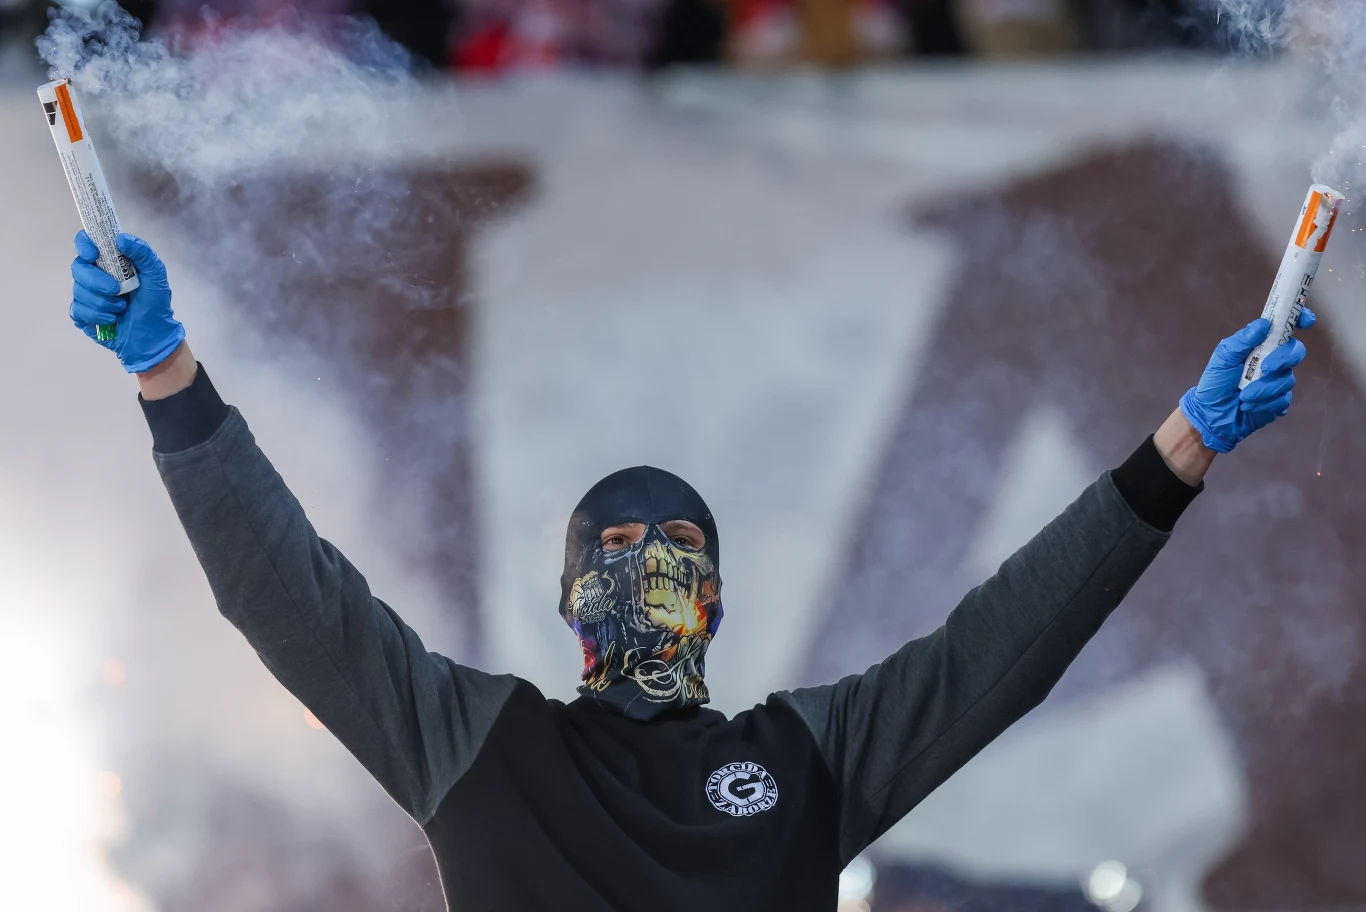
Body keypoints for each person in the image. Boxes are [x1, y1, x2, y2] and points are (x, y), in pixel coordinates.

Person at [69, 229, 1310, 911]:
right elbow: (288, 593)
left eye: (678, 552)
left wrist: (1181, 448)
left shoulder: (804, 760)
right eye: (615, 549)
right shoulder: (482, 745)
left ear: (715, 604)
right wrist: (168, 376)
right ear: (569, 603)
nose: (649, 564)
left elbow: (999, 648)